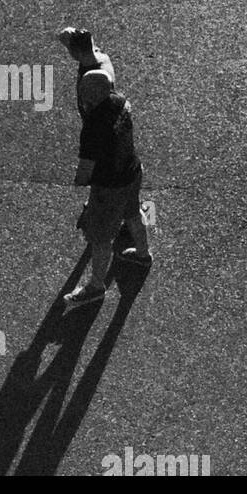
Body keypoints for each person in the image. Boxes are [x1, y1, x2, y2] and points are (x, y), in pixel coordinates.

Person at [62, 70, 152, 312]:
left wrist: (79, 182)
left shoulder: (93, 127)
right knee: (133, 212)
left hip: (110, 188)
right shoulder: (120, 101)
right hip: (132, 171)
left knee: (100, 239)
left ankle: (96, 286)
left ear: (90, 95)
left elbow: (85, 171)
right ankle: (142, 254)